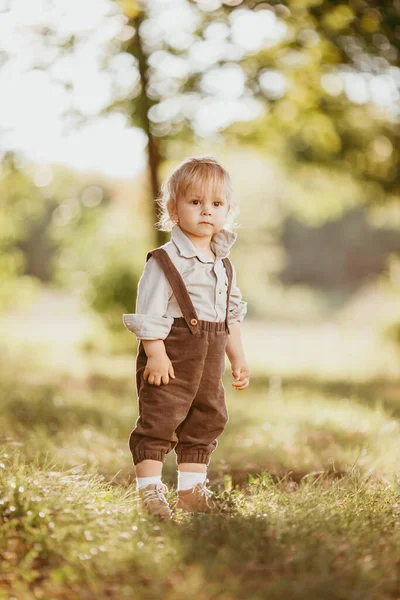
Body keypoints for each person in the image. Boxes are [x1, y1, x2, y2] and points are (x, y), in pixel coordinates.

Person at [123, 155, 250, 520]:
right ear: (174, 210)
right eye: (195, 202)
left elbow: (230, 313)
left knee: (206, 418)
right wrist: (156, 354)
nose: (206, 211)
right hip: (172, 351)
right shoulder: (164, 260)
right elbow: (149, 312)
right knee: (160, 418)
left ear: (228, 210)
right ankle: (149, 491)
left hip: (209, 356)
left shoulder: (223, 263)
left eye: (216, 203)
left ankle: (191, 491)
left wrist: (237, 357)